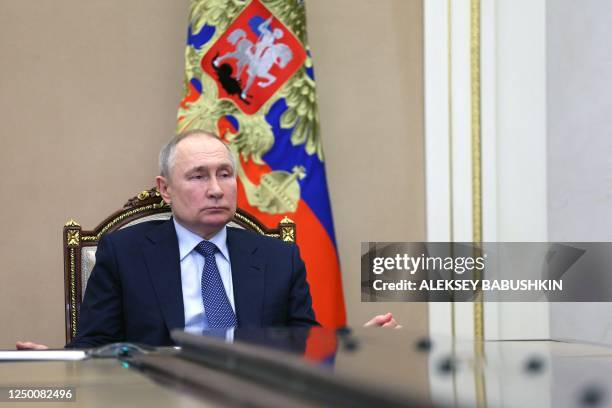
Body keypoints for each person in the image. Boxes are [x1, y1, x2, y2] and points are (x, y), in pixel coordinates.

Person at [17, 130, 399, 350]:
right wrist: (60, 365)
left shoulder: (277, 257)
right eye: (198, 176)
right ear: (164, 190)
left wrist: (353, 348)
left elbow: (301, 346)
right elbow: (96, 346)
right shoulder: (124, 253)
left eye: (225, 174)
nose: (216, 189)